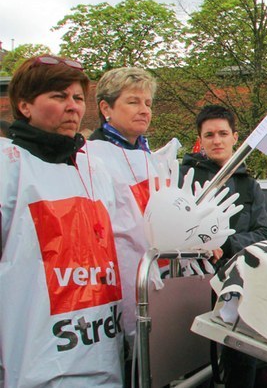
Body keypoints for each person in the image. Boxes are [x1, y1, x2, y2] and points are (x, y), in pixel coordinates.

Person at [1, 55, 123, 386]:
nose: (72, 107)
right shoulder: (8, 167)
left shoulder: (95, 169)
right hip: (33, 366)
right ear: (25, 105)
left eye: (78, 98)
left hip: (103, 357)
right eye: (58, 96)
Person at [181, 105, 267, 387]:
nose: (217, 140)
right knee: (195, 365)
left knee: (241, 360)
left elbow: (265, 232)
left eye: (223, 133)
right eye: (209, 135)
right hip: (192, 284)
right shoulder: (184, 178)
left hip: (239, 285)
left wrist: (227, 243)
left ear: (236, 137)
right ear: (200, 139)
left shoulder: (248, 185)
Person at [85, 67, 170, 364]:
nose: (144, 110)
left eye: (148, 103)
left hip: (157, 280)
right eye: (133, 102)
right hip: (113, 288)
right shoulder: (89, 156)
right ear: (106, 108)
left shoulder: (153, 159)